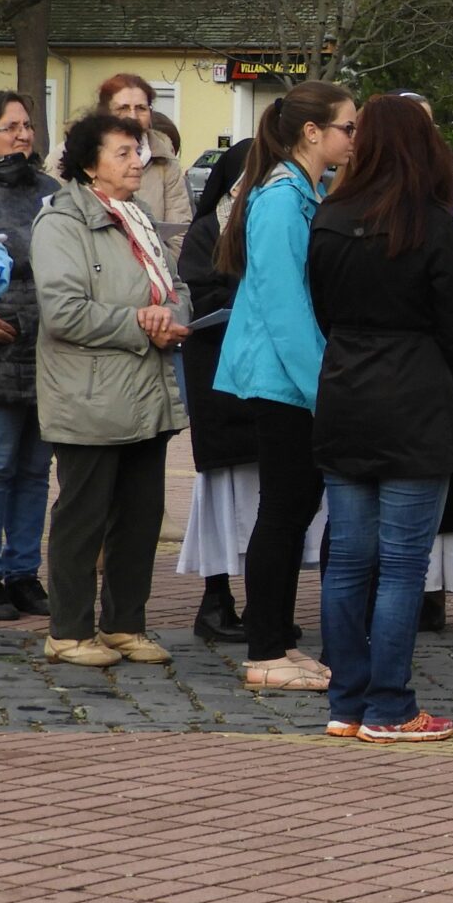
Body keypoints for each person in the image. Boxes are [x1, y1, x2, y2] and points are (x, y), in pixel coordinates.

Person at [307, 94, 453, 743]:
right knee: (404, 565)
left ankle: (347, 702)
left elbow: (323, 310)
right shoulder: (431, 222)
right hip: (415, 400)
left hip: (345, 393)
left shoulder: (329, 216)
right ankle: (391, 706)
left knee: (348, 559)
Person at [214, 81, 358, 692]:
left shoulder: (304, 190)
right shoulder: (280, 198)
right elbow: (283, 305)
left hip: (290, 376)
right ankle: (264, 648)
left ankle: (277, 637)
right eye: (347, 127)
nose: (354, 137)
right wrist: (324, 386)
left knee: (293, 509)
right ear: (311, 132)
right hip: (281, 379)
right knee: (282, 511)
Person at [32, 111, 188, 667]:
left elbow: (176, 285)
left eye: (139, 151)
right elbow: (63, 311)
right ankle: (69, 631)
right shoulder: (61, 222)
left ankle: (125, 624)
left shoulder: (138, 216)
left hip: (146, 391)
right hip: (89, 395)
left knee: (140, 514)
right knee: (83, 516)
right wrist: (141, 323)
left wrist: (172, 314)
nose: (137, 162)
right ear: (90, 164)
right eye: (123, 152)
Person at [174, 142, 257, 642]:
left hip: (262, 378)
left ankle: (265, 600)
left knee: (270, 496)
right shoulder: (207, 230)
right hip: (220, 376)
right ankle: (215, 597)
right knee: (223, 497)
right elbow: (197, 292)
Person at [0, 92, 57, 622]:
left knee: (36, 470)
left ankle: (22, 573)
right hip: (0, 351)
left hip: (48, 352)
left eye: (27, 125)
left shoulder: (51, 192)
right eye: (10, 125)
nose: (22, 134)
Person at [97, 73, 193, 234]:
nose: (132, 116)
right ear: (105, 112)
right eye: (123, 108)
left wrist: (157, 258)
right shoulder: (75, 154)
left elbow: (179, 231)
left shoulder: (166, 160)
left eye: (141, 108)